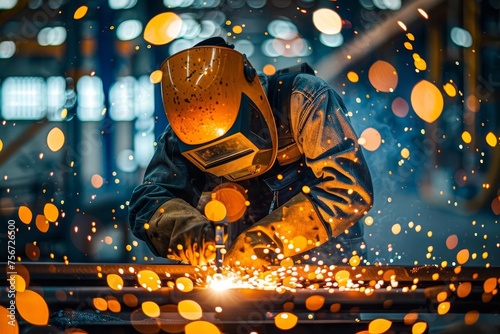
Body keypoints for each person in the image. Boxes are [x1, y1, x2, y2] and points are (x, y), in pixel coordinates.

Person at [128, 37, 373, 269]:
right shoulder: (184, 131)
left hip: (322, 272)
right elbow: (149, 201)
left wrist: (267, 240)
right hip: (237, 282)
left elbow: (349, 190)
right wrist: (196, 238)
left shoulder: (304, 99)